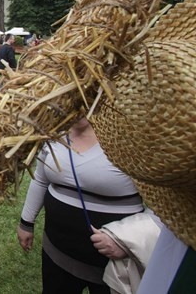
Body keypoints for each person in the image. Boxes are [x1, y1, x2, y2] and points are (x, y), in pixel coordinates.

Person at [17, 117, 145, 294]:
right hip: (56, 253)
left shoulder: (133, 138)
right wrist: (26, 222)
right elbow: (40, 179)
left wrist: (125, 239)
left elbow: (165, 209)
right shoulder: (55, 132)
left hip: (113, 266)